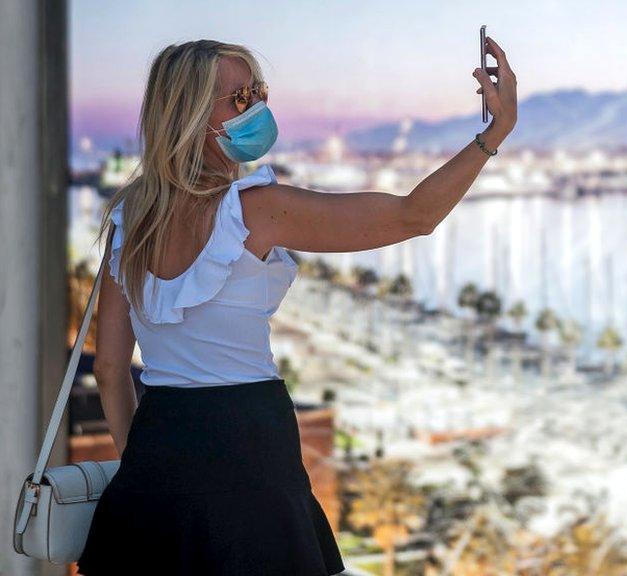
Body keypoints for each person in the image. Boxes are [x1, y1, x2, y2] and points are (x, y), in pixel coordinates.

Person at [76, 37, 517, 576]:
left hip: (156, 451)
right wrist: (494, 133)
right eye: (237, 97)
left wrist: (140, 464)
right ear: (189, 114)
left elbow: (109, 368)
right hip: (249, 440)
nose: (255, 108)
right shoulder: (257, 211)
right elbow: (413, 217)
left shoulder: (130, 221)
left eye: (257, 91)